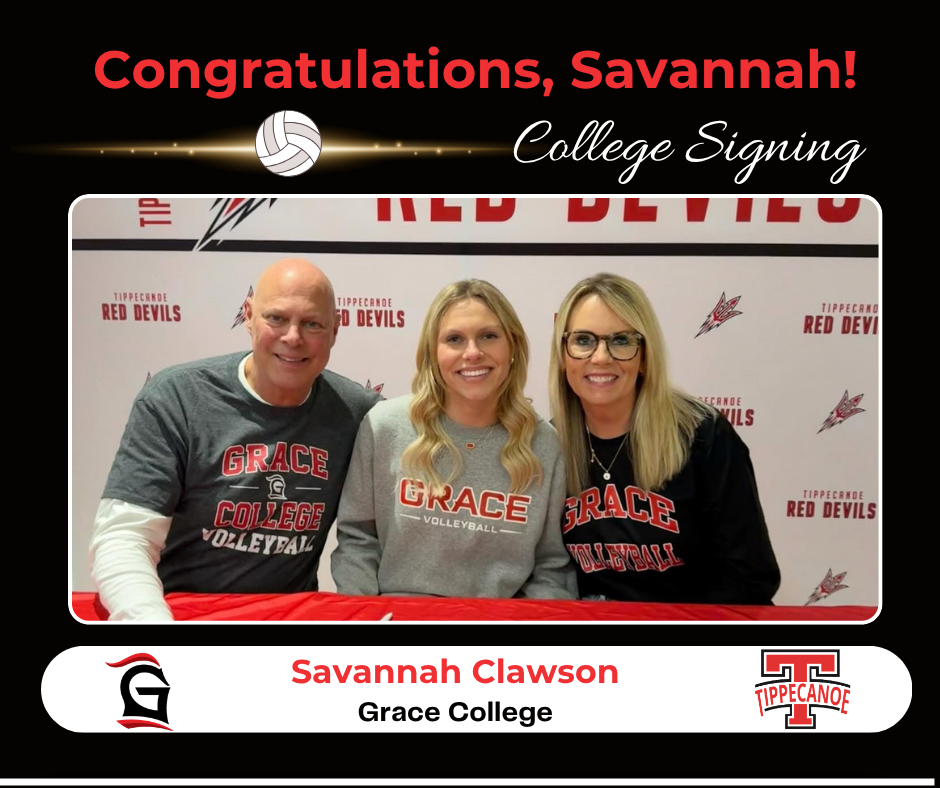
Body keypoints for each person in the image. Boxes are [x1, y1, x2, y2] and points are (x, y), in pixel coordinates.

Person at [89, 258, 381, 620]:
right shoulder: (177, 397)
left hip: (289, 625)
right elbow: (124, 538)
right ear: (248, 315)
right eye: (276, 318)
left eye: (312, 324)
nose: (293, 337)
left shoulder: (361, 414)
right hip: (181, 614)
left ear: (335, 329)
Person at [331, 280, 576, 599]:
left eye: (489, 336)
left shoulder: (543, 444)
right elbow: (358, 540)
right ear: (433, 353)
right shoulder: (384, 427)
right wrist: (363, 617)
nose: (472, 353)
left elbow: (551, 566)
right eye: (454, 339)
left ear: (513, 347)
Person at [549, 273, 780, 605]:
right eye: (583, 340)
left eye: (621, 340)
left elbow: (750, 577)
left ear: (645, 356)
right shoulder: (550, 443)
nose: (600, 357)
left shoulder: (702, 435)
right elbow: (544, 570)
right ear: (563, 354)